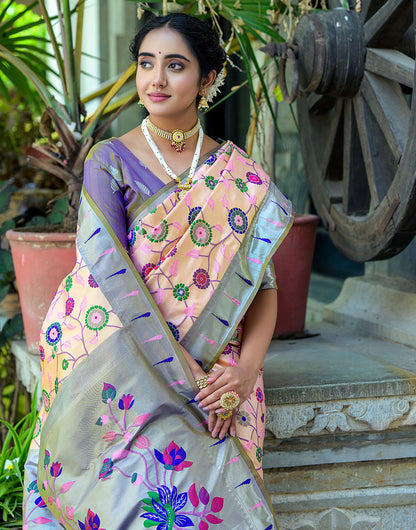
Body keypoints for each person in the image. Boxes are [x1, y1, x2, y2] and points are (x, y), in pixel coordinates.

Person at [23, 13, 293, 529]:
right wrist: (180, 371)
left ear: (207, 80)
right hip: (120, 342)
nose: (156, 80)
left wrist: (243, 371)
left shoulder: (239, 177)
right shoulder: (110, 160)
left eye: (175, 66)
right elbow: (107, 269)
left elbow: (263, 288)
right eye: (147, 64)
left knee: (213, 447)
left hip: (214, 356)